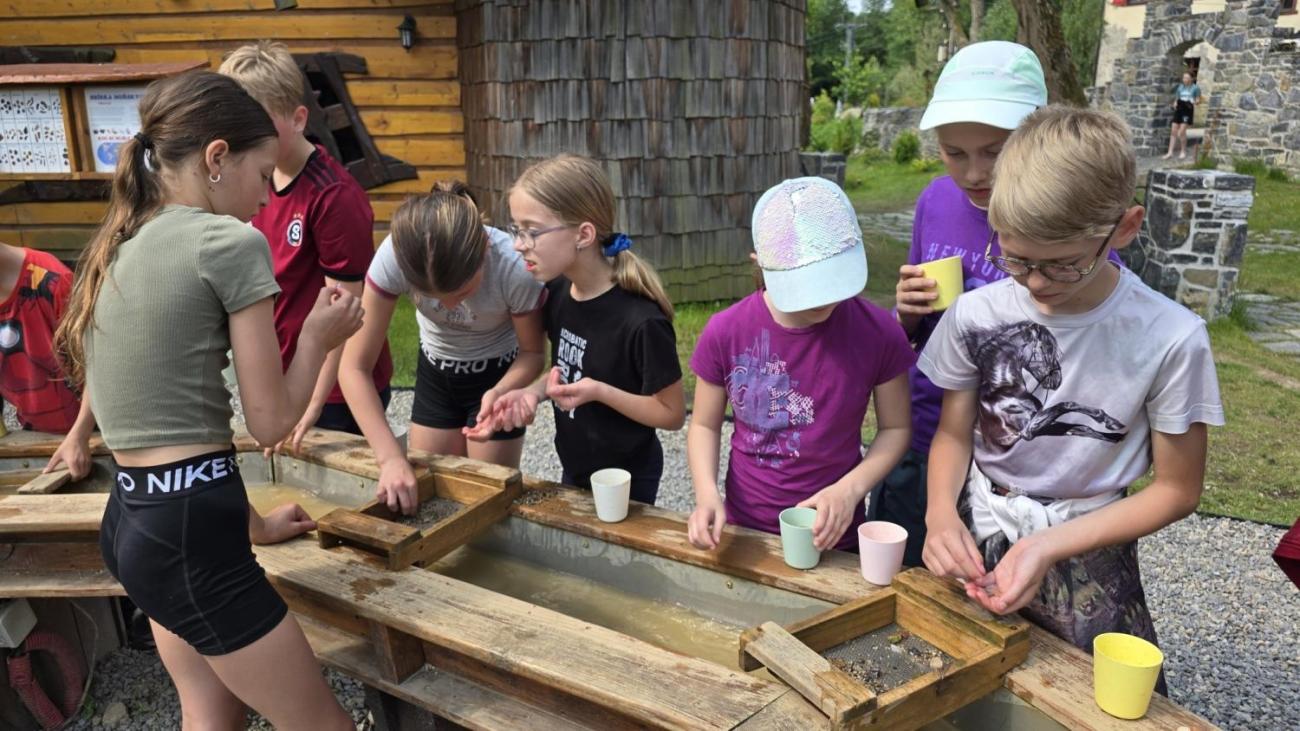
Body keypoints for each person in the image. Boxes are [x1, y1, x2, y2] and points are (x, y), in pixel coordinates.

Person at [50, 71, 361, 729]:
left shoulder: (123, 242)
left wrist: (257, 526)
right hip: (188, 538)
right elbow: (271, 422)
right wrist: (315, 336)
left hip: (135, 522)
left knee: (213, 715)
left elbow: (178, 438)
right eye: (259, 177)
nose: (263, 203)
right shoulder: (228, 241)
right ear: (217, 158)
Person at [918, 106, 1223, 682]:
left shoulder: (1170, 338)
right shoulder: (976, 314)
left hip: (1091, 542)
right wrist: (938, 515)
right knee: (953, 681)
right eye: (1014, 259)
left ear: (1125, 228)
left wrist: (1046, 546)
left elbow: (1178, 489)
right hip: (978, 523)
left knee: (1098, 697)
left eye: (1060, 266)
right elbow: (953, 434)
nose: (1034, 283)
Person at [878, 41, 1121, 567]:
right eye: (954, 152)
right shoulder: (935, 201)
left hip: (1012, 454)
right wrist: (908, 312)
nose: (973, 173)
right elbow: (916, 336)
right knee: (906, 574)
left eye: (994, 150)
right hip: (927, 427)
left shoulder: (1065, 219)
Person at [686, 177, 913, 553]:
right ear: (760, 265)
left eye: (831, 285)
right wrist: (707, 494)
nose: (822, 302)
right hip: (744, 529)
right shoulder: (726, 331)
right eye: (806, 290)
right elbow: (704, 424)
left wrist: (850, 490)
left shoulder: (879, 333)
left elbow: (896, 427)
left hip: (835, 533)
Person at [483, 155, 685, 504]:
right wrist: (534, 392)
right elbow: (569, 372)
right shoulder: (559, 294)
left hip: (627, 479)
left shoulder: (642, 321)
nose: (518, 244)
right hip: (574, 463)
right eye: (517, 230)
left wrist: (600, 392)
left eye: (532, 231)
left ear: (584, 234)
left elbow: (671, 414)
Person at [220, 41, 391, 448]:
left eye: (261, 124)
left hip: (332, 389)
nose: (247, 137)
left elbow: (347, 313)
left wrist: (312, 403)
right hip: (281, 375)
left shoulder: (333, 196)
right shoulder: (254, 182)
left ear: (299, 119)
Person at [339, 182, 545, 514]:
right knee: (430, 502)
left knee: (487, 504)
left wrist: (503, 391)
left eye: (461, 291)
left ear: (483, 252)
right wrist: (390, 457)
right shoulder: (396, 254)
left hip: (497, 375)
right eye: (432, 296)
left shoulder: (513, 266)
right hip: (436, 373)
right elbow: (354, 366)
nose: (449, 305)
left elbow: (533, 354)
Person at [0, 242, 80, 433]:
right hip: (29, 428)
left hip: (89, 426)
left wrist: (81, 432)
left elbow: (98, 369)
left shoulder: (53, 280)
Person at [1164, 71, 1200, 161]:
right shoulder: (1180, 87)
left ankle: (1183, 151)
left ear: (1191, 78)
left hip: (1187, 110)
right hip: (1179, 109)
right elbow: (1176, 99)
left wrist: (1195, 102)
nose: (1185, 80)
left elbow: (1198, 99)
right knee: (1173, 131)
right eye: (1184, 78)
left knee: (1181, 132)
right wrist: (1175, 104)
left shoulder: (1195, 88)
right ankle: (1170, 152)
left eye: (1187, 78)